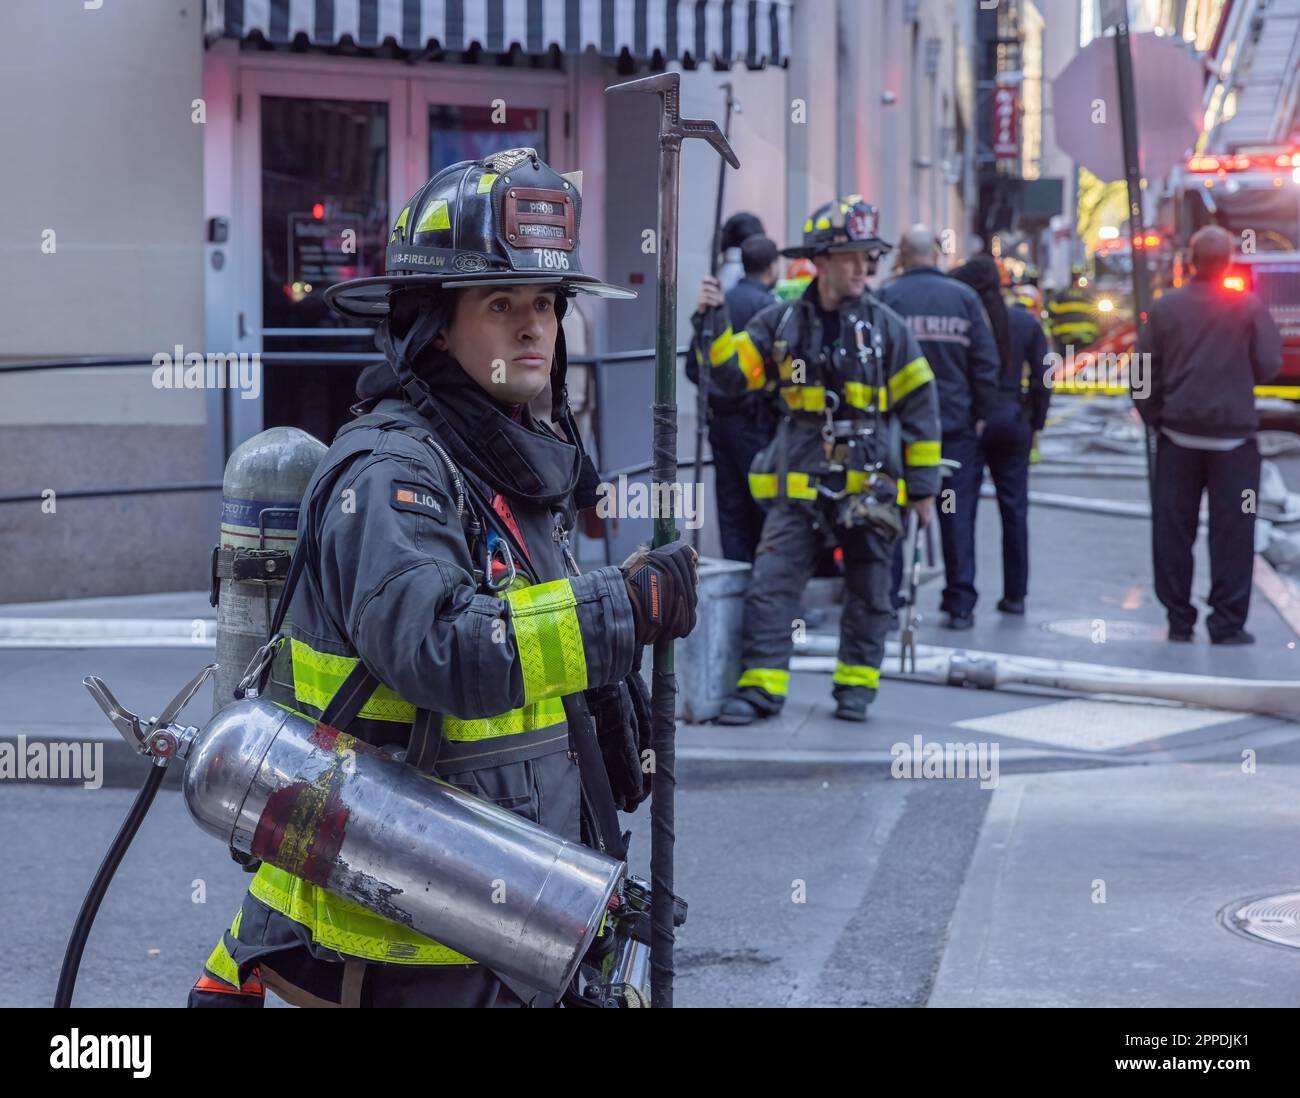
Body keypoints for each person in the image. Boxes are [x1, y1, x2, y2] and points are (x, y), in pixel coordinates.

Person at [188, 148, 699, 1008]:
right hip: (397, 952)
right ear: (433, 323)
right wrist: (624, 606)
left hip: (492, 929)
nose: (535, 328)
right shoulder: (393, 475)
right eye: (501, 304)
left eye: (546, 303)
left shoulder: (504, 464)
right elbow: (442, 647)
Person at [693, 197, 942, 724]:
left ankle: (855, 687)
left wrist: (921, 488)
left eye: (868, 257)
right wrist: (712, 322)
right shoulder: (779, 322)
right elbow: (731, 380)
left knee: (872, 588)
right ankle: (761, 687)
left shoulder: (887, 329)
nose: (863, 268)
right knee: (771, 583)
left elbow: (920, 405)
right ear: (821, 261)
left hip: (869, 482)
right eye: (851, 257)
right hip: (800, 476)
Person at [1136, 224, 1282, 644]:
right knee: (1234, 531)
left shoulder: (1165, 309)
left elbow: (1143, 372)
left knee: (1172, 528)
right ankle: (1227, 623)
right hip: (1234, 441)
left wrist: (1154, 417)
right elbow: (1269, 363)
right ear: (1229, 262)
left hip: (1178, 438)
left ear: (1190, 261)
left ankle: (1179, 620)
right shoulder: (1248, 307)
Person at [878, 230, 1000, 629]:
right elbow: (985, 363)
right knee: (955, 513)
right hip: (954, 430)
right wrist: (981, 414)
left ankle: (889, 597)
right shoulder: (964, 299)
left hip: (897, 432)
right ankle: (960, 602)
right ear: (935, 254)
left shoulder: (887, 298)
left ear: (901, 256)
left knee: (890, 513)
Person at [689, 234, 781, 561]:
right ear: (773, 265)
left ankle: (734, 580)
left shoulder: (720, 303)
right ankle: (761, 581)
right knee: (764, 505)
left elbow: (692, 368)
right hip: (755, 425)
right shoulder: (773, 310)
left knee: (730, 509)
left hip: (719, 424)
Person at [973, 281, 1052, 615]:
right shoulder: (1027, 323)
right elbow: (1043, 375)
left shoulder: (974, 320)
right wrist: (1036, 420)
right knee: (1014, 508)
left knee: (961, 510)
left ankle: (961, 598)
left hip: (975, 419)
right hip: (1014, 416)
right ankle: (1015, 595)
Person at [1047, 264, 1100, 354]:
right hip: (1085, 340)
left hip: (1066, 340)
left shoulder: (1061, 296)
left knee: (1068, 366)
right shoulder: (1089, 297)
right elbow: (1098, 318)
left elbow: (1050, 316)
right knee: (1083, 366)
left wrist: (1054, 334)